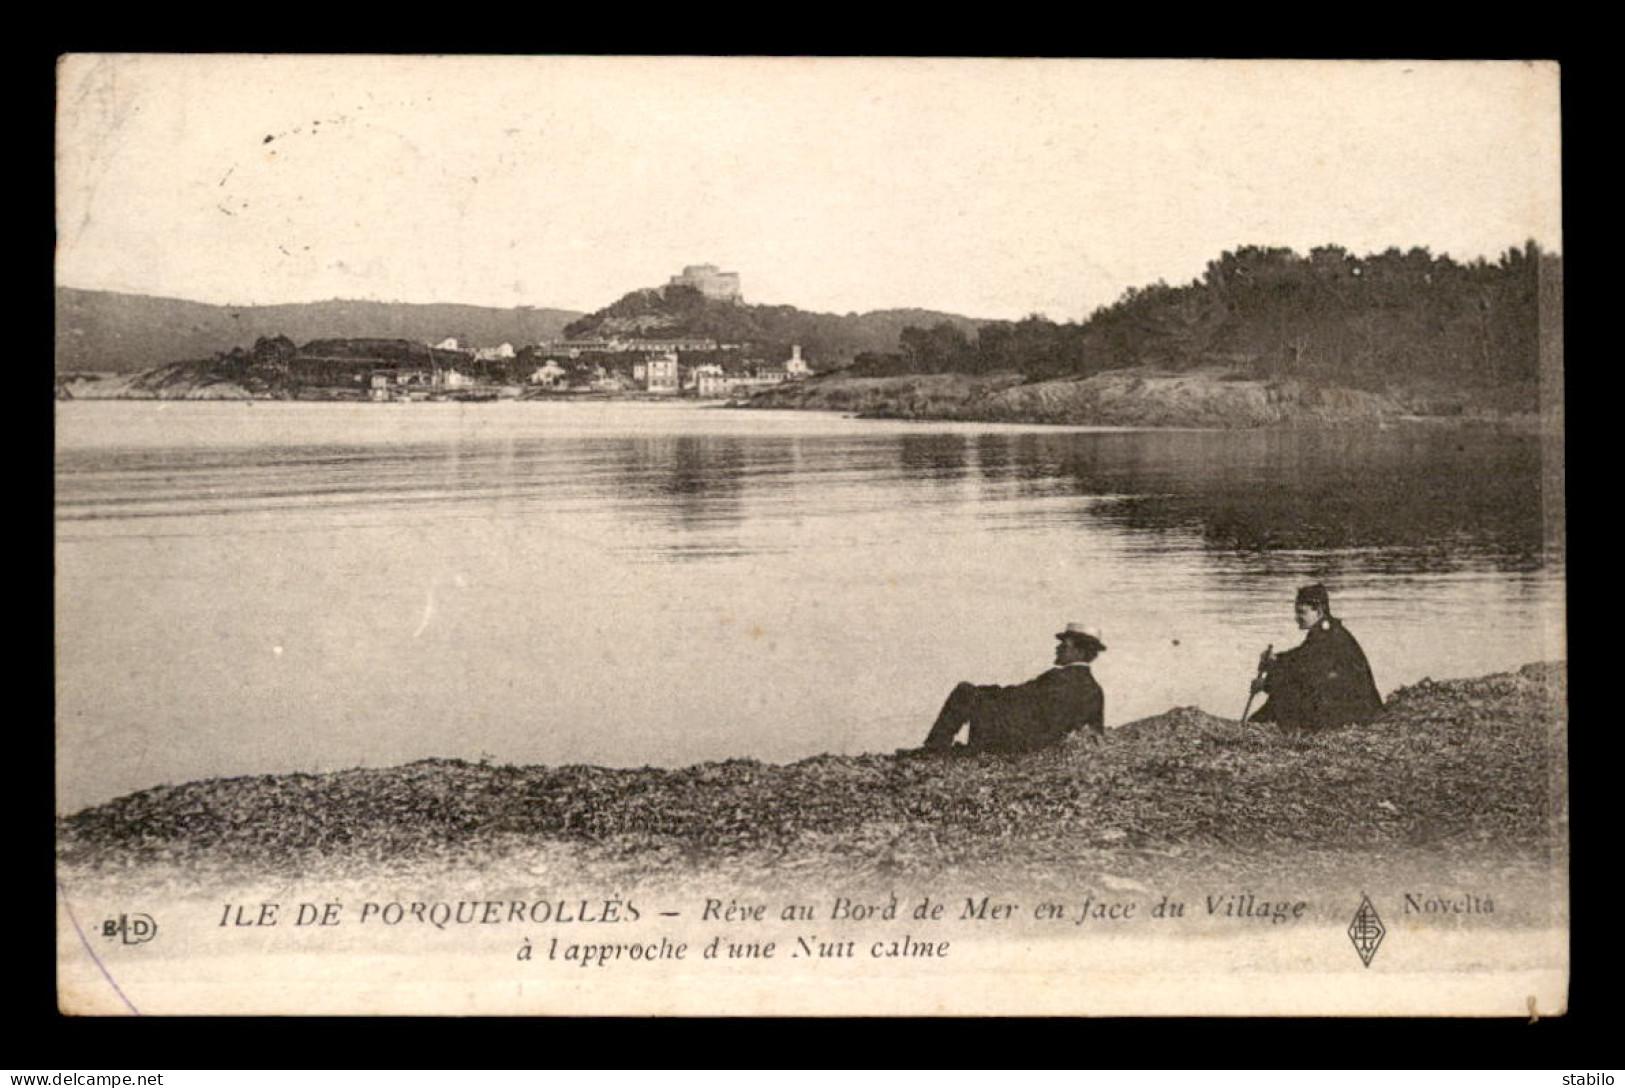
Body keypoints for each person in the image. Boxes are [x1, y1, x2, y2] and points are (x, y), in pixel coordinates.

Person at [907, 623, 1107, 754]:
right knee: (982, 697)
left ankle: (934, 748)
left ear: (1079, 651)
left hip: (1022, 744)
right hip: (1044, 742)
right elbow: (1095, 730)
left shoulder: (1057, 678)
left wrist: (985, 692)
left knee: (965, 691)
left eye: (1064, 646)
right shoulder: (1095, 690)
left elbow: (1017, 696)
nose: (1057, 648)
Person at [1249, 584, 1382, 730]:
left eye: (1301, 612)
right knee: (1286, 689)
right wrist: (1275, 659)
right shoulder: (1328, 631)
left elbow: (1303, 674)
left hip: (1355, 713)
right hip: (1354, 707)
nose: (1296, 618)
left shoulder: (1327, 635)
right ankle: (1256, 724)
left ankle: (1256, 725)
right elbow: (1301, 656)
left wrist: (1266, 684)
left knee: (1288, 691)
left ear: (1318, 611)